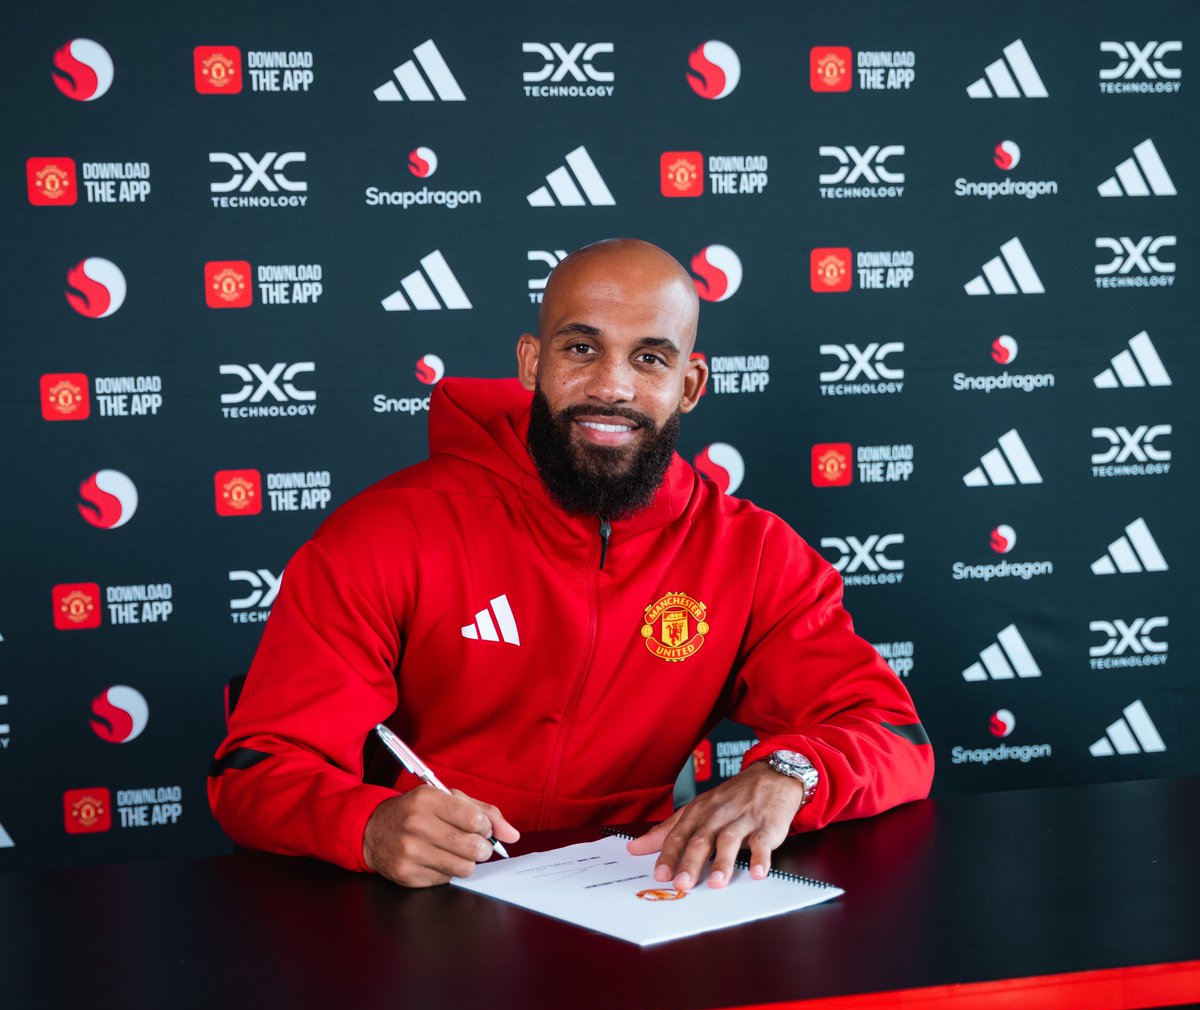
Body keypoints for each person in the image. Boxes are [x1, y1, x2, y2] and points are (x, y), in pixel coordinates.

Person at [208, 238, 933, 891]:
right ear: (532, 362)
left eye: (650, 357)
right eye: (581, 349)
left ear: (690, 384)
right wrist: (366, 826)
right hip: (422, 911)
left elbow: (894, 737)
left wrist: (790, 776)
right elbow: (257, 768)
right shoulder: (387, 531)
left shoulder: (752, 551)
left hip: (635, 901)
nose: (611, 386)